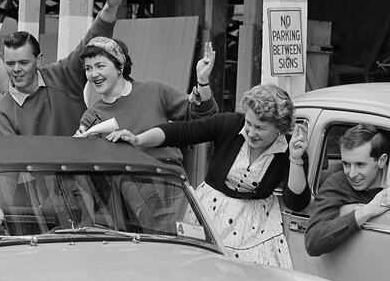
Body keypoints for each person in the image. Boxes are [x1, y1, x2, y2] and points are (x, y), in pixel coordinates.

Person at [107, 83, 310, 267]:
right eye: (249, 123)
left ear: (279, 129)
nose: (251, 132)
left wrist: (295, 159)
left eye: (260, 128)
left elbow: (296, 202)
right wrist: (138, 139)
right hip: (210, 214)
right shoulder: (231, 124)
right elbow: (182, 131)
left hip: (255, 228)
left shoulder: (291, 149)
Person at [0, 0, 129, 137]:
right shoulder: (3, 110)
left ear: (39, 60)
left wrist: (110, 8)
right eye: (10, 63)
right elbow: (11, 159)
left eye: (23, 62)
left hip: (84, 161)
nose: (16, 69)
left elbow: (91, 44)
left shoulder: (63, 75)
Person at [72, 35, 215, 165]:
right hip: (125, 189)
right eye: (88, 68)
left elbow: (202, 117)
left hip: (170, 182)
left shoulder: (154, 91)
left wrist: (202, 81)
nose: (93, 74)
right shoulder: (92, 117)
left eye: (100, 66)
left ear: (119, 67)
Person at [303, 124, 390, 257]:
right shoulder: (337, 184)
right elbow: (313, 243)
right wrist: (367, 211)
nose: (351, 174)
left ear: (381, 161)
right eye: (346, 164)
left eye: (360, 164)